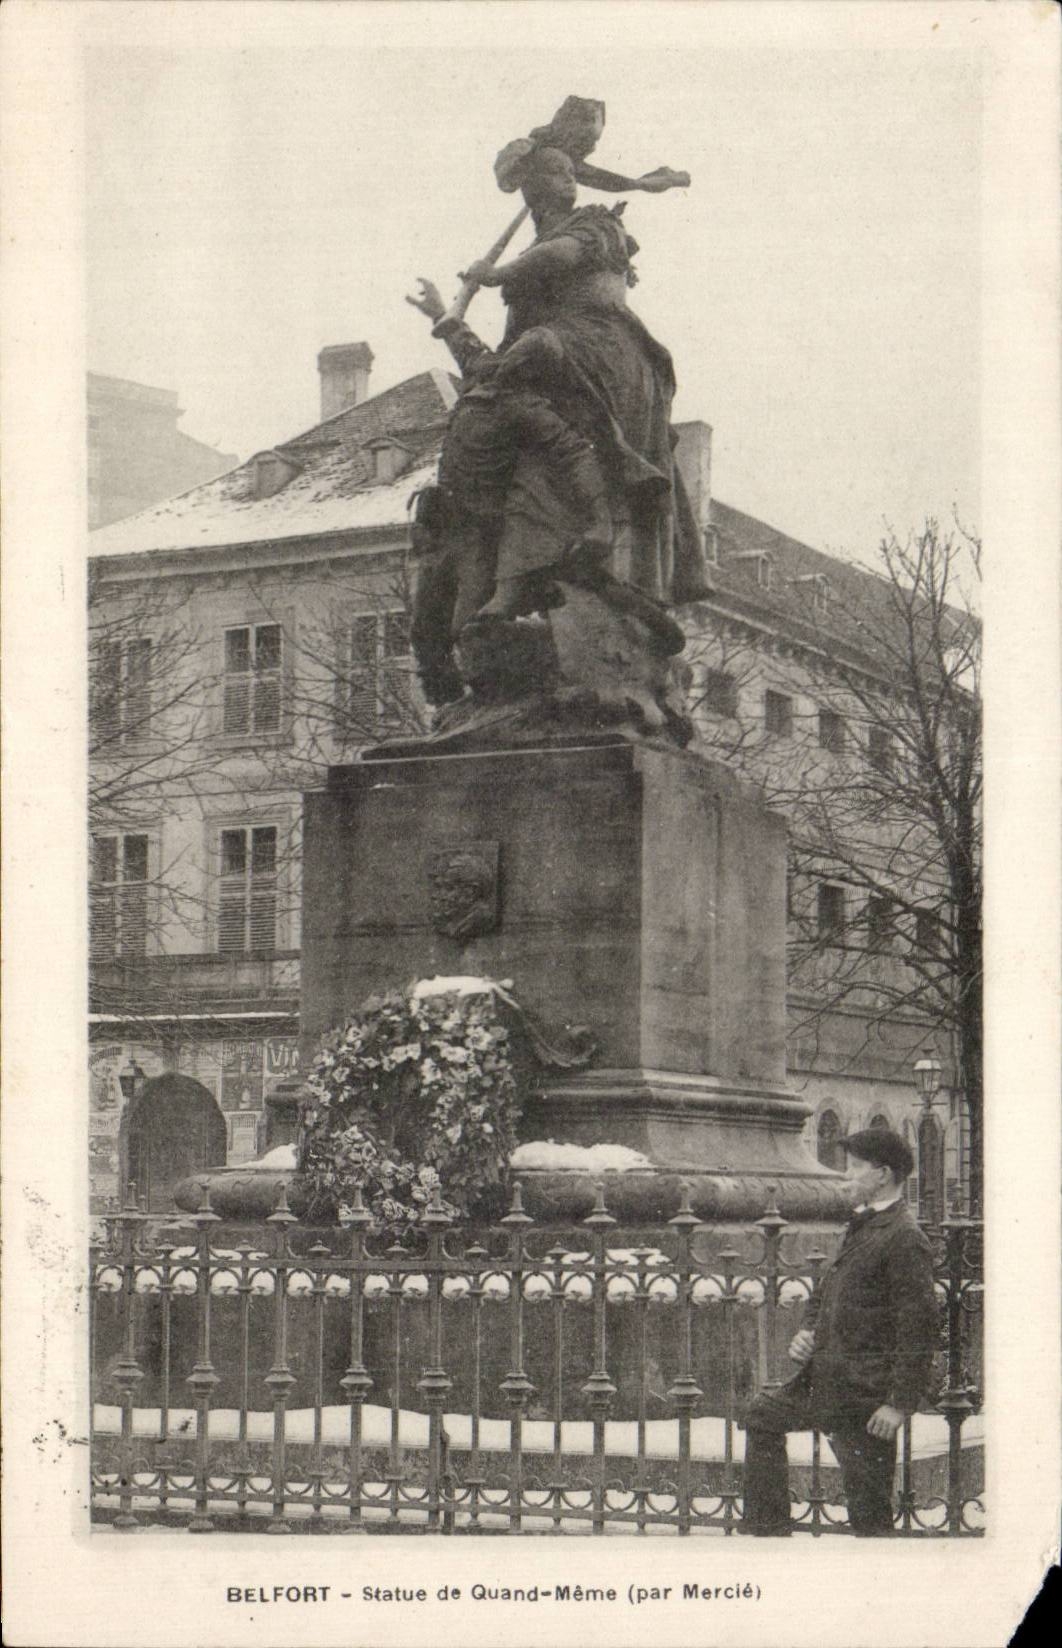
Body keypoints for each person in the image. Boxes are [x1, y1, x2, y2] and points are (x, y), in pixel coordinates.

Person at [740, 1129, 940, 1537]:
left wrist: (899, 1404)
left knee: (869, 1515)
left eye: (854, 1168)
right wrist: (807, 1331)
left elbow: (918, 1329)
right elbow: (828, 1290)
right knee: (762, 1415)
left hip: (865, 1398)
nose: (844, 1177)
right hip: (825, 1381)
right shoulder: (862, 1225)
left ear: (882, 1174)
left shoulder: (904, 1236)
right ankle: (766, 1533)